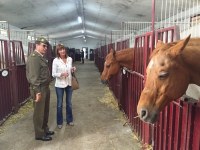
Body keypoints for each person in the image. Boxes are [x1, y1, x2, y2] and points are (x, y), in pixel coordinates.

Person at [26, 37, 54, 141]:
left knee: (45, 110)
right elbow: (33, 77)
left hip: (45, 87)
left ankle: (45, 129)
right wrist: (37, 92)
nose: (45, 48)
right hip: (39, 88)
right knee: (39, 112)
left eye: (46, 46)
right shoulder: (34, 58)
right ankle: (39, 134)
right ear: (37, 45)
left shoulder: (41, 57)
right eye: (43, 46)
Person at [52, 44, 76, 129]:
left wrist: (72, 69)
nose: (62, 51)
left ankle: (69, 120)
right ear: (58, 51)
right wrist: (61, 74)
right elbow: (53, 74)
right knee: (59, 104)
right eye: (60, 50)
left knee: (69, 103)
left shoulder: (70, 59)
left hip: (69, 83)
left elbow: (70, 70)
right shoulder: (55, 60)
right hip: (59, 85)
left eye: (63, 49)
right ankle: (59, 121)